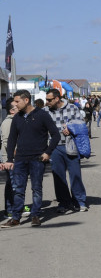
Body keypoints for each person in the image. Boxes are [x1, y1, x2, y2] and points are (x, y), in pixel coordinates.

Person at [1, 90, 60, 228]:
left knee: (36, 189)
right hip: (20, 159)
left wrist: (48, 152)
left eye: (17, 101)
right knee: (19, 190)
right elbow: (11, 140)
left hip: (37, 159)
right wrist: (10, 159)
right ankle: (15, 218)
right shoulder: (17, 118)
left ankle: (35, 215)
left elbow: (56, 135)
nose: (14, 104)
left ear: (26, 100)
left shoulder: (42, 115)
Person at [45, 88, 89, 213]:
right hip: (54, 148)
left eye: (49, 99)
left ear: (57, 98)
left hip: (71, 146)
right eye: (46, 99)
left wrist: (71, 129)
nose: (47, 102)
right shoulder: (45, 111)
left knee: (75, 174)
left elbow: (82, 124)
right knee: (58, 177)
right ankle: (64, 202)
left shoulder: (72, 108)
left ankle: (79, 201)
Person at [1, 98, 17, 219]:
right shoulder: (8, 123)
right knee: (12, 184)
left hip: (13, 159)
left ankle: (15, 207)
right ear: (12, 111)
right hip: (10, 159)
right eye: (16, 107)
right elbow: (7, 142)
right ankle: (10, 209)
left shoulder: (15, 120)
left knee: (14, 184)